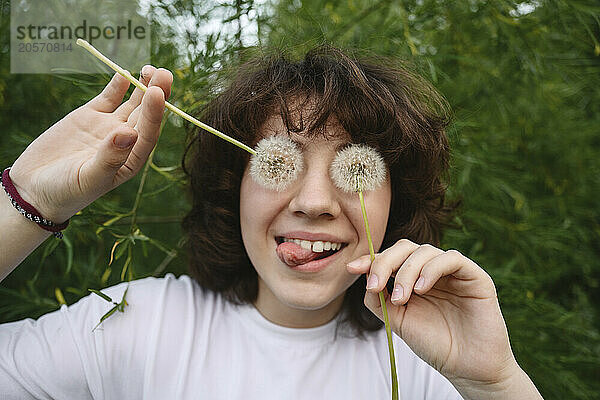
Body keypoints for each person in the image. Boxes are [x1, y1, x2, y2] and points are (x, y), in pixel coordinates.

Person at [0, 45, 543, 399]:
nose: (313, 202)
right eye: (277, 162)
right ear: (231, 187)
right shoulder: (139, 325)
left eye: (356, 167)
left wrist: (495, 383)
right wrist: (25, 200)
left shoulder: (433, 369)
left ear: (395, 204)